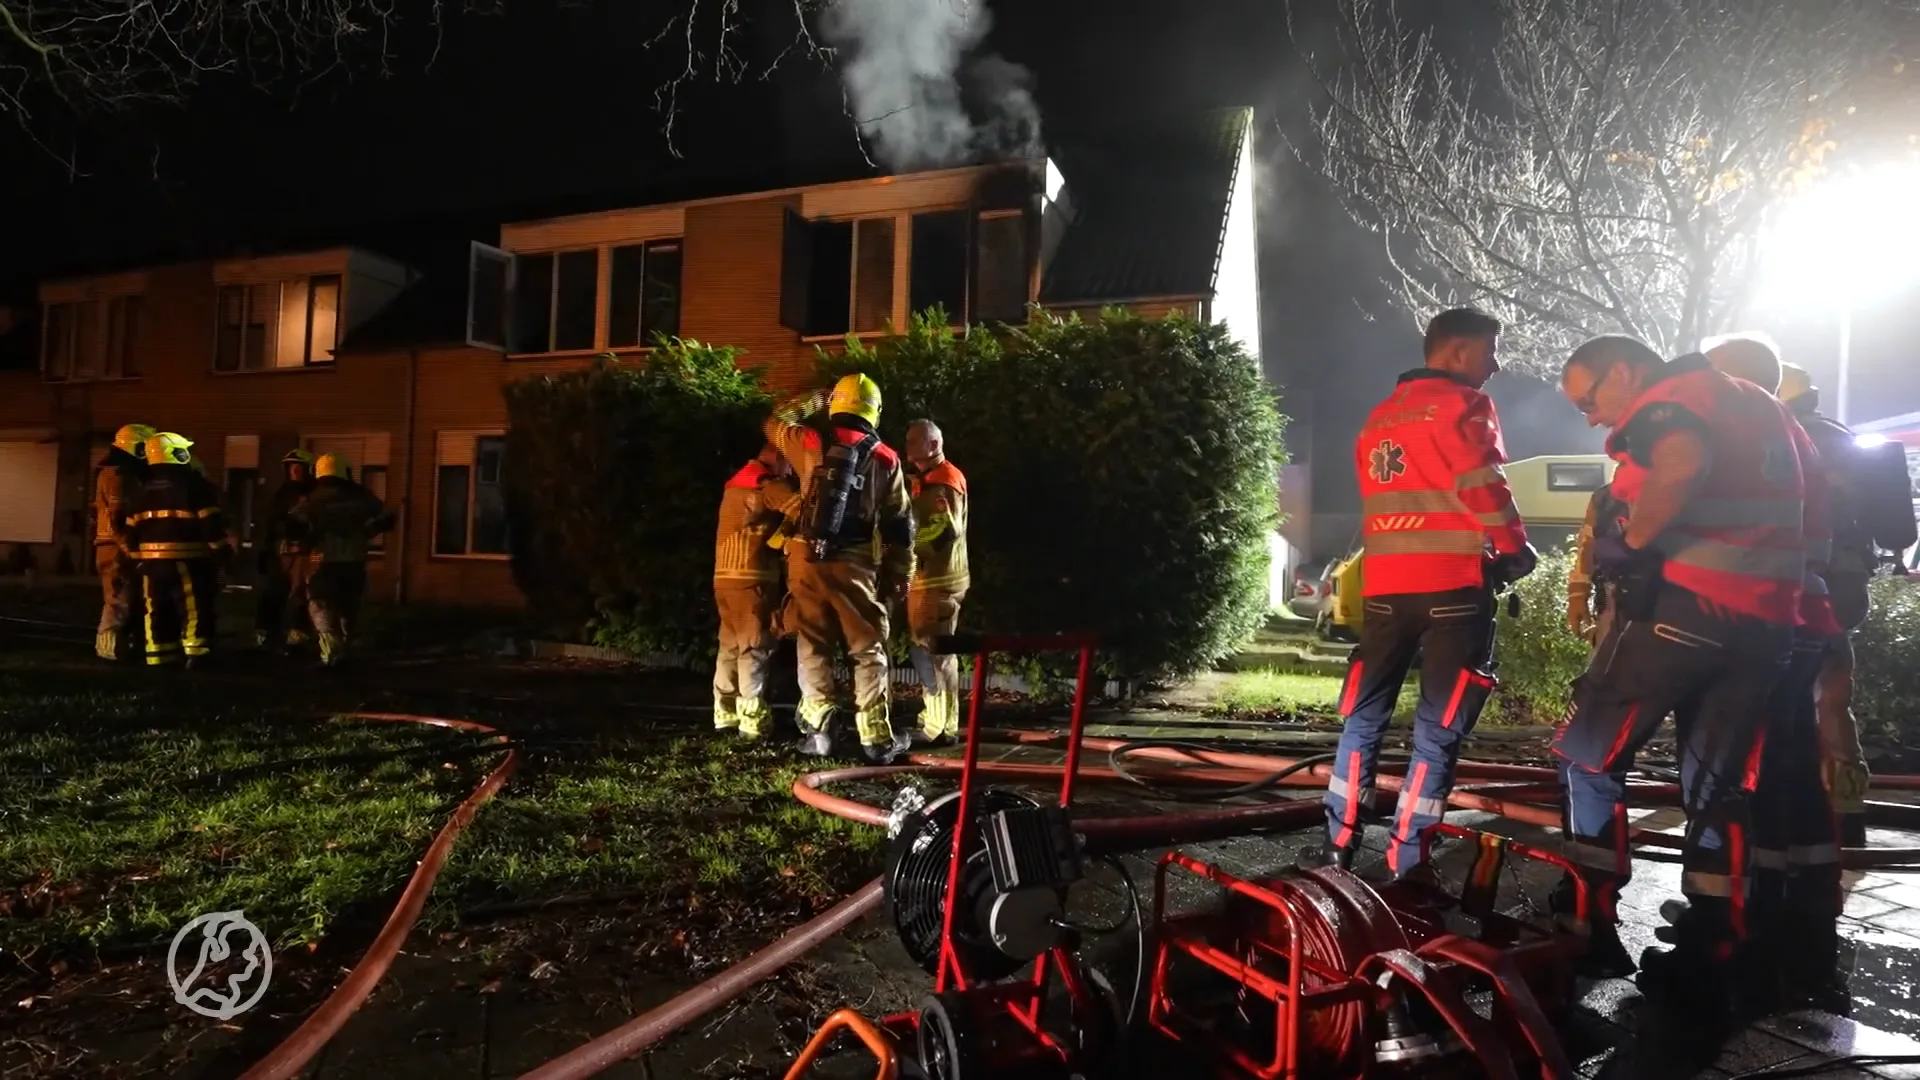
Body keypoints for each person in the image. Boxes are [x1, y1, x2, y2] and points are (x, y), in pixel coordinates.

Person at [1553, 337, 1805, 1004]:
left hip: (1682, 613)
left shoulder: (1668, 400)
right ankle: (1713, 941)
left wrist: (1633, 544)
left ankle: (1588, 924)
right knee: (1718, 785)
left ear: (1627, 372)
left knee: (1586, 757)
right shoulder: (1763, 406)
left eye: (1590, 398)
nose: (1591, 417)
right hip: (1767, 626)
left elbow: (1683, 461)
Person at [1304, 306, 1537, 880]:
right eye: (1488, 351)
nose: (1495, 366)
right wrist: (1515, 550)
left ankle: (1338, 842)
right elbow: (1485, 486)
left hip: (1385, 590)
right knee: (1437, 730)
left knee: (1363, 718)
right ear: (1456, 352)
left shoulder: (1379, 418)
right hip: (1454, 587)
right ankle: (1408, 859)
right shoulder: (1467, 405)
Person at [1703, 337, 1847, 1004]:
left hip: (1763, 620)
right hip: (1807, 615)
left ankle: (1748, 914)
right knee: (1790, 763)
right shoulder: (1800, 438)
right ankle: (1804, 895)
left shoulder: (1743, 430)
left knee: (1749, 769)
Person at [763, 373, 917, 763]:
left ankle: (821, 729)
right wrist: (901, 574)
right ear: (874, 409)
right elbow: (900, 524)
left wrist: (814, 398)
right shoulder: (887, 458)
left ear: (837, 403)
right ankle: (875, 738)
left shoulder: (810, 442)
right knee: (867, 647)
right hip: (855, 565)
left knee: (811, 642)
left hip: (805, 558)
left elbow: (773, 422)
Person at [1779, 362, 1876, 847]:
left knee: (1783, 700)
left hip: (1798, 584)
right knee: (1835, 699)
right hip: (1847, 585)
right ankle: (1848, 812)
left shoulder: (1783, 436)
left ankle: (1789, 815)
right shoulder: (1844, 438)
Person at [119, 433, 229, 668]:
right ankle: (197, 656)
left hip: (150, 565)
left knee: (156, 610)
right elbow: (211, 524)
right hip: (189, 562)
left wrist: (137, 561)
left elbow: (130, 533)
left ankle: (159, 658)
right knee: (194, 608)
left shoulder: (140, 491)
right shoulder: (194, 486)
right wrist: (222, 553)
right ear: (178, 454)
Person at [712, 444, 797, 741]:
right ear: (776, 458)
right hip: (752, 579)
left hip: (724, 579)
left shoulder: (736, 484)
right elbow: (799, 509)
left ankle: (724, 715)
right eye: (789, 465)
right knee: (754, 648)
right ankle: (753, 723)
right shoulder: (767, 485)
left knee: (730, 647)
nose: (790, 472)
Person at [291, 453, 394, 668]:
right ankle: (346, 646)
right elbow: (388, 517)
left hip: (322, 559)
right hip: (355, 559)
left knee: (320, 602)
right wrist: (367, 531)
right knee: (349, 605)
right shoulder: (362, 496)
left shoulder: (313, 498)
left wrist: (305, 543)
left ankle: (331, 652)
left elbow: (294, 525)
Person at [905, 419, 970, 745]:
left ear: (934, 445)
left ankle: (937, 726)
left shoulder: (940, 482)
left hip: (936, 580)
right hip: (936, 579)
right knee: (936, 652)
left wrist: (911, 548)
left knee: (931, 652)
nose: (908, 446)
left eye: (915, 440)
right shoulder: (933, 479)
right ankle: (943, 721)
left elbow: (947, 530)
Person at [93, 424, 155, 661]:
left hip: (121, 546)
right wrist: (130, 548)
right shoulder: (116, 474)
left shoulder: (125, 473)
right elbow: (118, 516)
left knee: (133, 600)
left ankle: (127, 648)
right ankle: (108, 651)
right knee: (119, 600)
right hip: (116, 547)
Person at [255, 449, 318, 654]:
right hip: (280, 553)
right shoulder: (281, 495)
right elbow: (270, 524)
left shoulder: (314, 495)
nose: (295, 471)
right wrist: (266, 550)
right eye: (291, 467)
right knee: (273, 591)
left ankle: (298, 632)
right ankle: (266, 631)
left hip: (304, 553)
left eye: (299, 467)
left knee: (301, 592)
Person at [1567, 484, 1628, 644]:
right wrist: (1577, 594)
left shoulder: (1682, 487)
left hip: (1667, 608)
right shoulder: (1604, 498)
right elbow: (1588, 545)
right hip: (1611, 604)